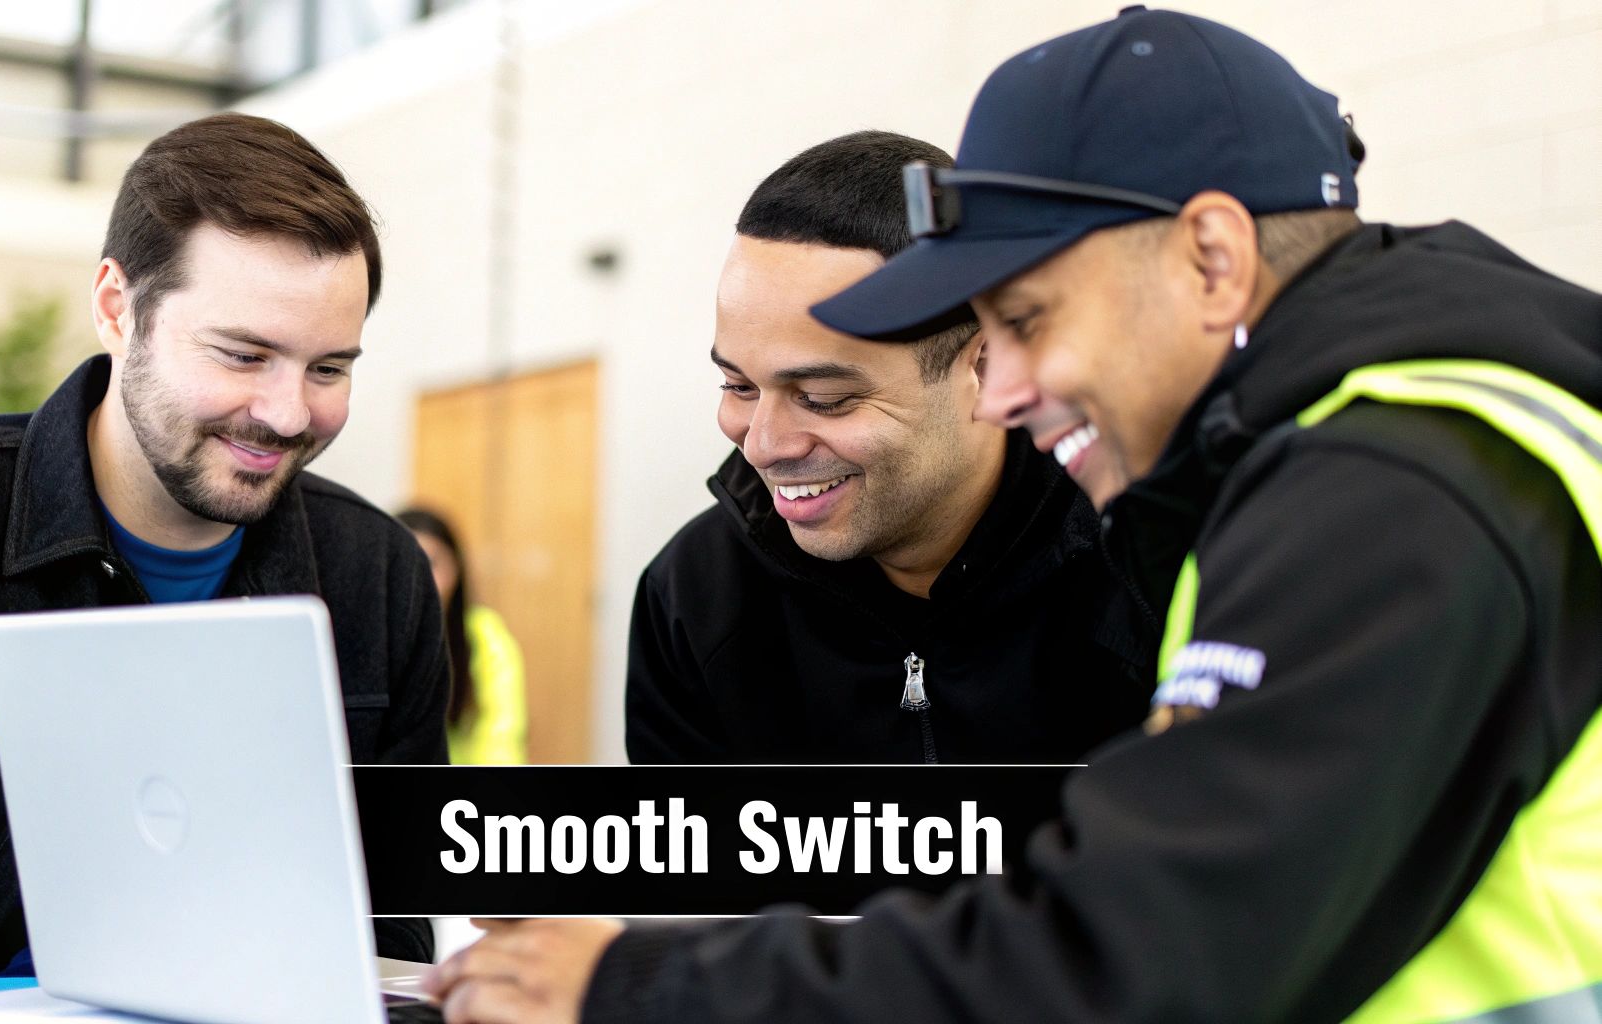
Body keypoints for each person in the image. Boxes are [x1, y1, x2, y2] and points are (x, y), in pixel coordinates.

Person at [425, 9, 1602, 1022]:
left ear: (1209, 258)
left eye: (1028, 321)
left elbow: (1132, 954)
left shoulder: (1387, 492)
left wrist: (639, 988)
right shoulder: (1385, 444)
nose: (1008, 387)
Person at [0, 112, 449, 980]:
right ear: (116, 309)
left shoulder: (381, 578)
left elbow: (382, 948)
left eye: (328, 368)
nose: (289, 414)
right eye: (244, 355)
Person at [626, 130, 1151, 765]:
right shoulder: (693, 600)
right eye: (738, 385)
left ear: (985, 366)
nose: (763, 446)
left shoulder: (1144, 566)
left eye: (823, 397)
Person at [398, 506, 528, 765]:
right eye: (405, 563)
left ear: (456, 570)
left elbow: (501, 738)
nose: (420, 577)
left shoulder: (485, 637)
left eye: (432, 563)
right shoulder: (369, 641)